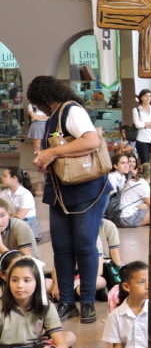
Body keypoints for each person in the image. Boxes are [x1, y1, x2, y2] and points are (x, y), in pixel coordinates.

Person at [29, 75, 110, 324]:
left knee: (85, 246)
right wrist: (47, 161)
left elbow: (92, 140)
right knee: (62, 249)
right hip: (61, 191)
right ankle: (66, 301)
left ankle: (86, 302)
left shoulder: (71, 110)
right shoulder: (55, 115)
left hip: (86, 190)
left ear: (42, 97)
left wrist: (51, 152)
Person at [0, 257, 88, 348]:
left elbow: (62, 344)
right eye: (14, 280)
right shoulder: (2, 306)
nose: (19, 285)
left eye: (26, 280)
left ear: (37, 282)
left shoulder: (46, 306)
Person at [0, 167, 41, 241]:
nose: (2, 178)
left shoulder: (25, 194)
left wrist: (5, 215)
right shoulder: (4, 193)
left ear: (14, 178)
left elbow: (19, 217)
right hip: (11, 223)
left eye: (5, 176)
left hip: (28, 227)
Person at [132, 89, 151, 164]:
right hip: (142, 139)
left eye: (150, 96)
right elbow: (138, 124)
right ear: (141, 97)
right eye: (146, 96)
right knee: (145, 162)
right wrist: (150, 124)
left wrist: (144, 124)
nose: (148, 98)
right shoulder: (136, 110)